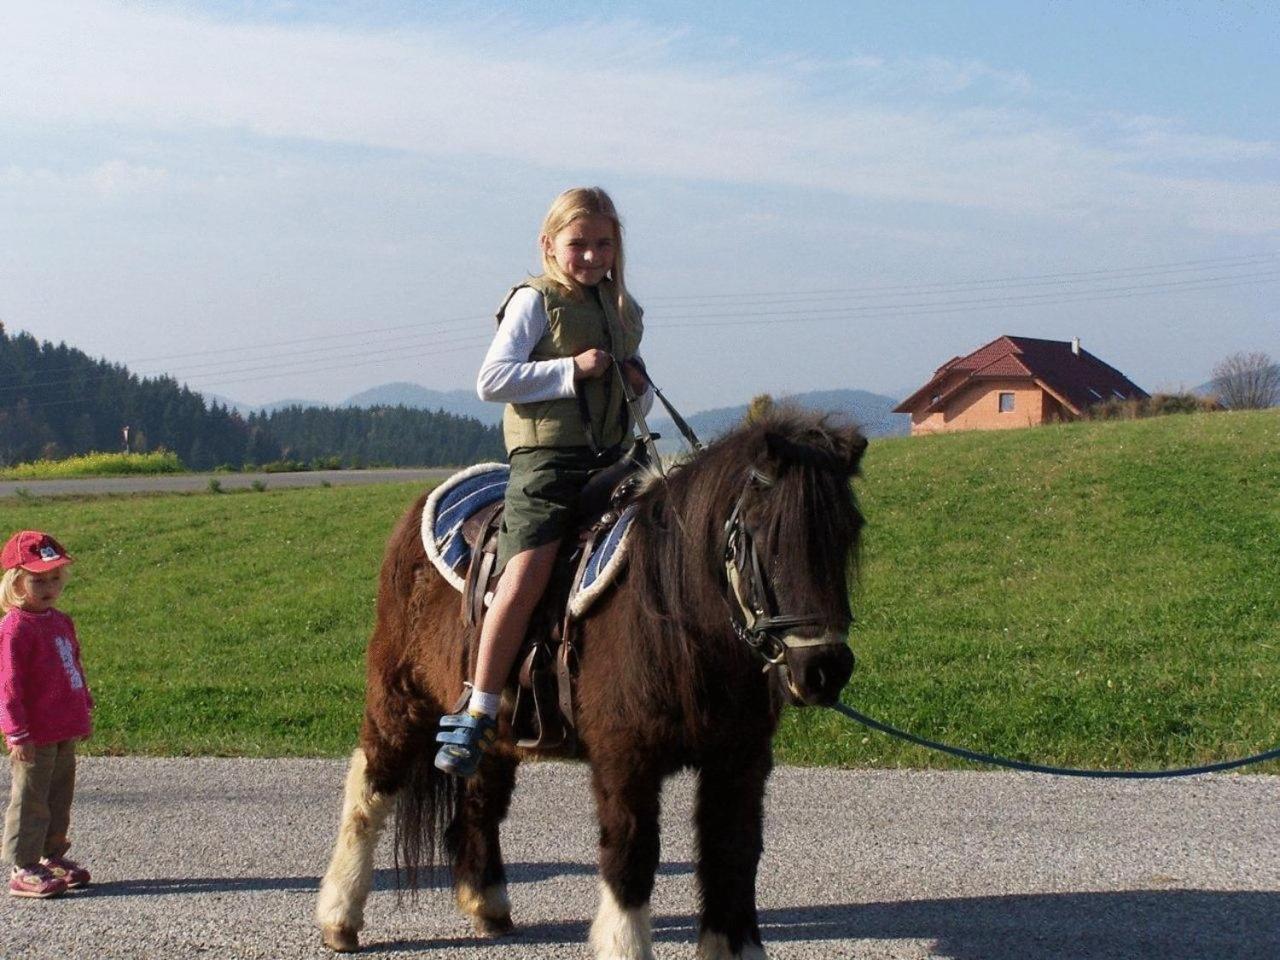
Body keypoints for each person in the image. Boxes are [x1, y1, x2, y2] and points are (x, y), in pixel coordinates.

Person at [434, 186, 652, 777]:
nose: (591, 256)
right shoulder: (537, 301)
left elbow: (639, 402)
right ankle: (478, 707)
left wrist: (637, 390)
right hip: (548, 463)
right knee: (527, 570)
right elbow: (492, 380)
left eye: (603, 243)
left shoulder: (624, 310)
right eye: (577, 244)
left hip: (616, 455)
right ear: (548, 244)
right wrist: (571, 370)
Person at [1, 531, 93, 898]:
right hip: (34, 732)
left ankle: (52, 855)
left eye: (55, 578)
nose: (48, 587)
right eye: (38, 580)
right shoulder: (14, 628)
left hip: (63, 725)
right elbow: (7, 685)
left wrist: (82, 704)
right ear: (15, 582)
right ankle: (23, 865)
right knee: (31, 798)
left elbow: (73, 664)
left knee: (59, 794)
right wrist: (16, 732)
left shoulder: (60, 620)